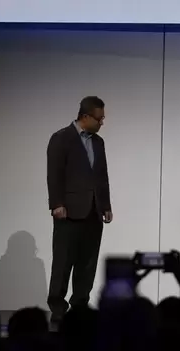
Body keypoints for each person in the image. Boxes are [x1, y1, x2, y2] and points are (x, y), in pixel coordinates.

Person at [47, 96, 113, 326]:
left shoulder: (98, 143)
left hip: (93, 211)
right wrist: (56, 203)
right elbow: (54, 174)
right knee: (63, 261)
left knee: (87, 263)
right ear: (85, 116)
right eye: (99, 118)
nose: (102, 122)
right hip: (68, 211)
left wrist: (106, 205)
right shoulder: (61, 138)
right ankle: (57, 307)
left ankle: (80, 305)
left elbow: (102, 177)